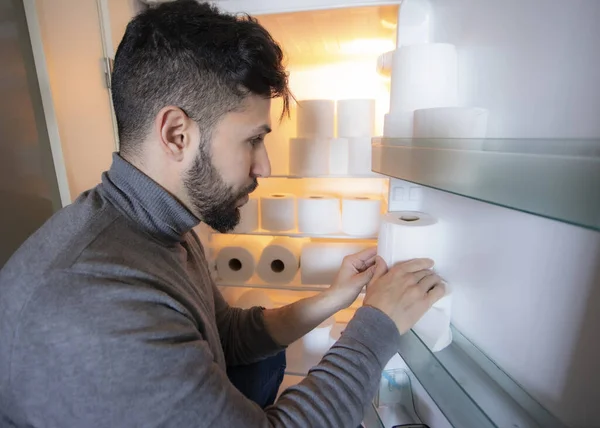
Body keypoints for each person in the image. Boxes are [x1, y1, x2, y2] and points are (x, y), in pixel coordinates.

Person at [0, 1, 446, 427]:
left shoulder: (160, 224)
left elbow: (226, 335)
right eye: (253, 139)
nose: (265, 166)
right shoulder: (99, 301)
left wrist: (333, 299)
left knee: (266, 355)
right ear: (177, 134)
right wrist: (377, 326)